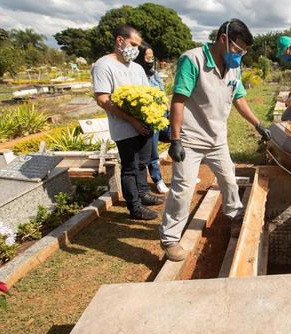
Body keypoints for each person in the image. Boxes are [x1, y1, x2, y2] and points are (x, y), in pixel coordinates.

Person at [160, 19, 271, 261]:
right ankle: (169, 238)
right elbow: (178, 100)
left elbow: (239, 99)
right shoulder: (193, 60)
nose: (239, 56)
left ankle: (234, 216)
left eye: (244, 52)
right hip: (190, 138)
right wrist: (175, 139)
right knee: (183, 189)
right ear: (223, 39)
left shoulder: (234, 68)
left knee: (229, 179)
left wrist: (258, 124)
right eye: (238, 50)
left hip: (217, 137)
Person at [92, 25, 164, 220]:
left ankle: (143, 193)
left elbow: (147, 95)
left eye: (138, 46)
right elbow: (103, 99)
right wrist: (132, 120)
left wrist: (152, 116)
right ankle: (135, 207)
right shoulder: (103, 65)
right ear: (120, 40)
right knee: (130, 167)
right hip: (124, 127)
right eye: (133, 44)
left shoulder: (137, 67)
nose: (136, 49)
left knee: (143, 163)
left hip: (144, 124)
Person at [135, 42, 170, 194]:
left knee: (180, 138)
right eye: (147, 57)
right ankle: (158, 179)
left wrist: (169, 111)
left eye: (152, 57)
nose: (150, 60)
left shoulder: (154, 74)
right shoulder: (136, 75)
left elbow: (162, 94)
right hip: (149, 119)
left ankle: (183, 174)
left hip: (163, 116)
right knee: (153, 151)